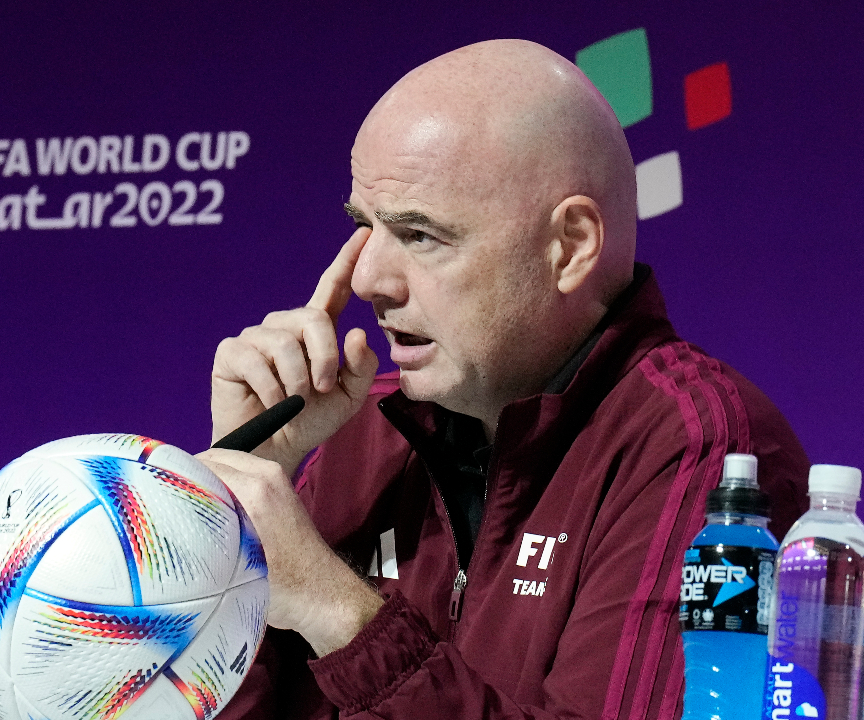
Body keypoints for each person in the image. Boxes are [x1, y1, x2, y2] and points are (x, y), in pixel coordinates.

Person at [197, 40, 810, 720]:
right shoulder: (356, 435)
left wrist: (336, 609)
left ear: (570, 246)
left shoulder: (702, 448)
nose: (369, 280)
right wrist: (226, 515)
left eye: (420, 235)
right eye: (364, 227)